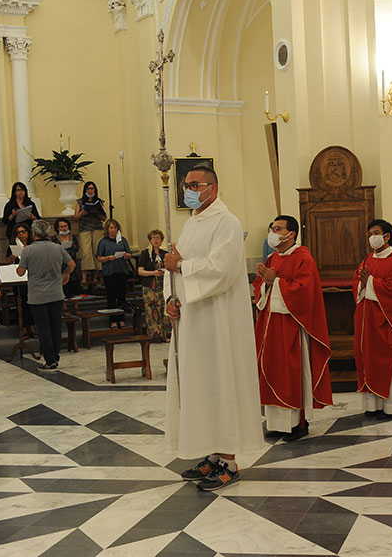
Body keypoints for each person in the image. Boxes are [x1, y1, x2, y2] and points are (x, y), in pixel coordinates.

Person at [163, 162, 264, 491]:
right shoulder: (192, 224)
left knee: (222, 384)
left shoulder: (227, 223)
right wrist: (171, 297)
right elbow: (174, 264)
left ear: (213, 189)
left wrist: (182, 266)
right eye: (186, 185)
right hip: (193, 319)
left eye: (194, 185)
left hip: (218, 321)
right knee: (200, 387)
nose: (188, 191)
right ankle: (213, 454)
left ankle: (230, 461)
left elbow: (223, 269)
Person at [254, 215, 333, 442]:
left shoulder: (303, 259)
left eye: (277, 228)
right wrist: (264, 282)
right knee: (272, 369)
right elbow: (260, 286)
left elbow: (303, 292)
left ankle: (297, 423)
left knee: (291, 372)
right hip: (271, 326)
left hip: (292, 326)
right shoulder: (272, 258)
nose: (273, 232)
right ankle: (277, 423)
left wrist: (275, 282)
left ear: (291, 234)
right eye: (272, 227)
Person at [353, 219, 392, 417]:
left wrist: (370, 282)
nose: (372, 238)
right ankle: (374, 406)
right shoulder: (369, 259)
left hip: (388, 322)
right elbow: (358, 281)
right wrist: (363, 284)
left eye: (376, 233)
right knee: (370, 360)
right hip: (368, 320)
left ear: (387, 237)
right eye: (370, 234)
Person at [17, 220, 76, 371]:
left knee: (43, 329)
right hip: (56, 293)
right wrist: (65, 275)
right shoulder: (57, 248)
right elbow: (72, 264)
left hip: (37, 296)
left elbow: (21, 271)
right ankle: (55, 356)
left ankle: (49, 360)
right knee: (56, 326)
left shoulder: (28, 250)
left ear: (33, 233)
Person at [96, 218, 132, 329]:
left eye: (115, 228)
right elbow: (99, 258)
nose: (113, 230)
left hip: (121, 270)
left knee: (122, 296)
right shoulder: (103, 242)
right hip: (109, 272)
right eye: (111, 228)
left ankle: (121, 320)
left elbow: (129, 253)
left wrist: (126, 255)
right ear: (107, 229)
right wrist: (108, 258)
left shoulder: (122, 240)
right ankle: (112, 320)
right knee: (111, 296)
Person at [138, 229, 171, 342]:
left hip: (162, 285)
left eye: (158, 238)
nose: (155, 240)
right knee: (152, 310)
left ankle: (166, 334)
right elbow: (140, 271)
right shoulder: (145, 254)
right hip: (150, 286)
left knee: (163, 308)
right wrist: (153, 273)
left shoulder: (164, 254)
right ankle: (155, 335)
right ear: (150, 240)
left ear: (161, 240)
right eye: (153, 238)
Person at [74, 181, 107, 288]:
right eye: (88, 189)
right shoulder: (80, 202)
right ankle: (84, 279)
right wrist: (82, 213)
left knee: (97, 252)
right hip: (84, 229)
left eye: (92, 188)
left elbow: (104, 218)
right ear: (85, 190)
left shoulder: (99, 202)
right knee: (86, 253)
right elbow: (75, 218)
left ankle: (95, 278)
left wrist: (97, 212)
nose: (90, 191)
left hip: (97, 228)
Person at [52, 218, 81, 297]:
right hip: (61, 265)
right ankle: (64, 307)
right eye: (61, 227)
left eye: (65, 226)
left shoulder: (73, 237)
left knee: (75, 287)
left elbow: (77, 248)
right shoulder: (54, 238)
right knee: (64, 288)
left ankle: (76, 306)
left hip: (73, 263)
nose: (64, 228)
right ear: (58, 228)